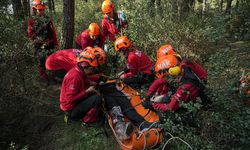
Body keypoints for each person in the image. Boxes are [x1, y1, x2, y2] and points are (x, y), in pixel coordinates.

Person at [142, 54, 208, 112]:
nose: (166, 78)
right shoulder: (182, 65)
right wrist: (148, 95)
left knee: (174, 111)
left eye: (166, 76)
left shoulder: (185, 85)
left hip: (198, 99)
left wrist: (153, 105)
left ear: (172, 72)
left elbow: (171, 107)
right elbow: (159, 81)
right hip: (194, 88)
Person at [60, 50, 103, 123]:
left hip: (74, 103)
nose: (92, 71)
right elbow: (69, 99)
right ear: (85, 66)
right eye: (91, 69)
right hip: (71, 109)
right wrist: (86, 91)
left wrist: (94, 83)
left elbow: (85, 81)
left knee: (97, 92)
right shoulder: (74, 77)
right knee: (97, 98)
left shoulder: (79, 72)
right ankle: (87, 120)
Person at [28, 1, 58, 82]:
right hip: (39, 45)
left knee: (52, 59)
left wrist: (55, 43)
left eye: (43, 10)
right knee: (41, 61)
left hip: (50, 43)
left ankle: (53, 77)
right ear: (35, 9)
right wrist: (36, 41)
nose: (42, 11)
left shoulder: (47, 19)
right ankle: (44, 78)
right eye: (39, 10)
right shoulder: (32, 21)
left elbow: (53, 31)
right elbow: (31, 34)